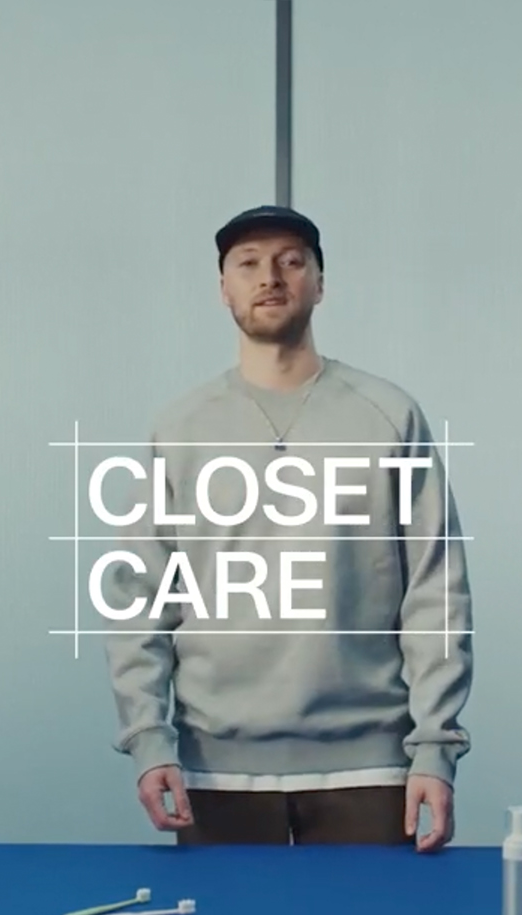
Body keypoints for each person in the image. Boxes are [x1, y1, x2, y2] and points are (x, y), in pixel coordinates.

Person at [98, 205, 473, 851]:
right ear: (224, 290)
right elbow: (138, 596)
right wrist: (149, 740)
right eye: (247, 263)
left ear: (320, 283)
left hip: (371, 765)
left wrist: (435, 748)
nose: (270, 275)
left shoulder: (388, 414)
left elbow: (436, 592)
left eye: (291, 261)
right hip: (215, 769)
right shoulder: (181, 427)